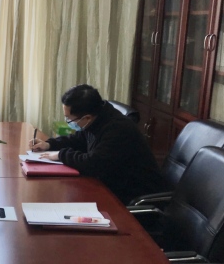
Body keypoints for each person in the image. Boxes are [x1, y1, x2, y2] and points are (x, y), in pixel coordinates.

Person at [30, 84, 168, 205]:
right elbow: (78, 139)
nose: (68, 122)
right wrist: (49, 145)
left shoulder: (118, 129)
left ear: (87, 117)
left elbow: (93, 164)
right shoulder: (98, 117)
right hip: (110, 184)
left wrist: (61, 155)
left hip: (132, 195)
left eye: (69, 119)